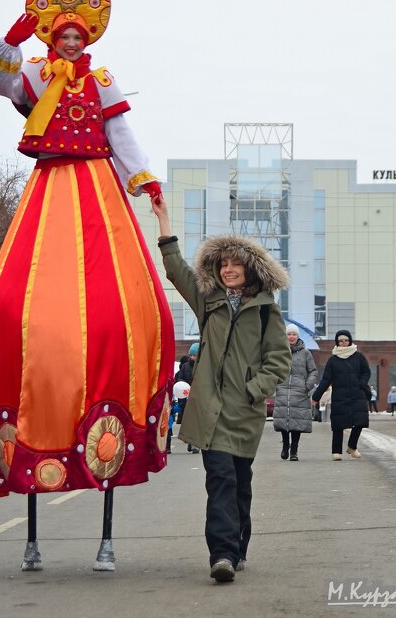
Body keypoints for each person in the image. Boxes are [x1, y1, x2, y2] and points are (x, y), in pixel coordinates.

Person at [0, 0, 175, 498]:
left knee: (117, 288)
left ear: (85, 40)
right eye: (61, 36)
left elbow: (120, 133)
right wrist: (8, 45)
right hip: (51, 180)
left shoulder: (101, 82)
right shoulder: (38, 73)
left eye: (75, 37)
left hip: (96, 183)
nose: (68, 43)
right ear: (52, 37)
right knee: (25, 286)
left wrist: (144, 178)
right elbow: (2, 85)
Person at [152, 196, 291, 583]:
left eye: (236, 264)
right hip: (209, 410)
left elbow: (279, 361)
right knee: (221, 481)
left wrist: (254, 389)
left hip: (243, 413)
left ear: (250, 270)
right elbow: (177, 270)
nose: (229, 270)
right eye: (223, 264)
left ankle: (238, 545)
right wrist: (164, 220)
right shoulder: (208, 301)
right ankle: (223, 555)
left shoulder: (266, 311)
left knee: (240, 483)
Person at [312, 330, 371, 461]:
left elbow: (366, 372)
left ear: (350, 341)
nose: (344, 343)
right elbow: (326, 379)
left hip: (357, 394)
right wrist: (316, 397)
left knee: (360, 421)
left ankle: (352, 446)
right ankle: (336, 451)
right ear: (337, 343)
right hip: (340, 395)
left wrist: (361, 383)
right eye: (340, 341)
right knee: (338, 424)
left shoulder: (359, 356)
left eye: (346, 340)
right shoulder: (333, 360)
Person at [272, 324, 317, 461]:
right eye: (289, 334)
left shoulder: (306, 353)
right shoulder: (279, 351)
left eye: (294, 334)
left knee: (297, 421)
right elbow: (272, 368)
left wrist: (307, 385)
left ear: (298, 336)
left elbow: (313, 371)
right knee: (284, 420)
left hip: (300, 391)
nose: (291, 337)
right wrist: (275, 382)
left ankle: (294, 450)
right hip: (283, 389)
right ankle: (285, 446)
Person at [177, 343, 200, 452]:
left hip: (199, 398)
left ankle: (195, 443)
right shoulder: (185, 366)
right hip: (186, 398)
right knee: (189, 422)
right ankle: (191, 442)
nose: (192, 357)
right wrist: (183, 385)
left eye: (194, 355)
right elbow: (180, 378)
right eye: (191, 355)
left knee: (197, 422)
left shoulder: (202, 366)